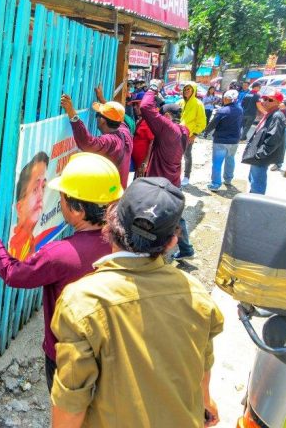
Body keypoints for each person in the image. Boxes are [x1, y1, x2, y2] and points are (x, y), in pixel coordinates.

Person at [50, 177, 223, 428]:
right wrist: (206, 401)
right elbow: (202, 362)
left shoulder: (82, 301)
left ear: (110, 222)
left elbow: (71, 401)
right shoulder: (197, 295)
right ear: (173, 240)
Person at [0, 153, 123, 392]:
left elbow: (13, 273)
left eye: (61, 197)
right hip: (109, 349)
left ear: (78, 209)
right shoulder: (123, 243)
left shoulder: (60, 254)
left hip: (67, 356)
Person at [139, 81, 195, 261]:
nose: (160, 118)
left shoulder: (168, 129)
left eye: (162, 115)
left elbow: (146, 106)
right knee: (177, 217)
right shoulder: (183, 130)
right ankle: (186, 250)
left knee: (152, 216)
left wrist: (153, 87)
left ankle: (151, 253)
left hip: (160, 185)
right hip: (173, 182)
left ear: (168, 116)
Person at [60, 93, 133, 188]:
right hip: (118, 193)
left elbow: (87, 143)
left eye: (97, 115)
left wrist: (72, 113)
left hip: (108, 196)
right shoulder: (125, 132)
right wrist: (103, 100)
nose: (96, 118)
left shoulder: (111, 141)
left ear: (102, 120)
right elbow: (117, 116)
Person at [242, 90, 286, 194]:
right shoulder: (270, 114)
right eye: (265, 99)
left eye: (270, 100)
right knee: (253, 179)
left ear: (278, 103)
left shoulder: (277, 116)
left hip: (261, 156)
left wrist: (261, 154)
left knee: (257, 183)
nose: (265, 102)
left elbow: (274, 137)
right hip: (258, 154)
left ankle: (256, 205)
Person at [8, 152, 48, 261]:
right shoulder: (10, 244)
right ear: (19, 207)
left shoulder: (32, 241)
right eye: (35, 189)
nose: (41, 195)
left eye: (43, 187)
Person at [203, 89, 243, 191]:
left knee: (217, 163)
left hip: (221, 140)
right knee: (230, 159)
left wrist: (206, 132)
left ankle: (215, 184)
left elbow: (213, 124)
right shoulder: (240, 110)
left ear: (226, 99)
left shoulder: (222, 111)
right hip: (234, 140)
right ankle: (228, 179)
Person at [179, 81, 206, 186]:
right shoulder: (180, 102)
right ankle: (175, 175)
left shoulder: (198, 104)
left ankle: (186, 176)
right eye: (185, 89)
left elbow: (202, 122)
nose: (186, 91)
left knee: (187, 155)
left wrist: (194, 134)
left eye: (188, 89)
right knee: (176, 155)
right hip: (177, 134)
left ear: (193, 91)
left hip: (189, 135)